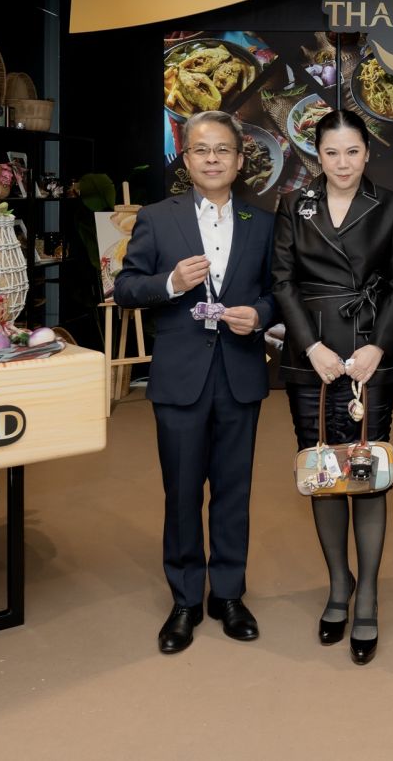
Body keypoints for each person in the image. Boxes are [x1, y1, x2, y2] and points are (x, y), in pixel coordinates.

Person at [113, 110, 275, 655]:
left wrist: (260, 314)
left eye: (223, 149)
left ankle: (228, 595)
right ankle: (185, 600)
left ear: (239, 159)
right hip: (180, 376)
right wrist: (170, 282)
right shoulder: (158, 218)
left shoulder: (262, 221)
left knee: (233, 491)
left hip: (240, 373)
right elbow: (126, 288)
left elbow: (277, 292)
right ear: (186, 159)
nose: (212, 158)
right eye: (201, 149)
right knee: (182, 492)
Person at [272, 108, 393, 666]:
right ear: (317, 154)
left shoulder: (390, 205)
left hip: (368, 353)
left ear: (367, 153)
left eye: (352, 151)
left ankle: (369, 594)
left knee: (366, 472)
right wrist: (311, 347)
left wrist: (377, 347)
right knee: (322, 471)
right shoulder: (294, 203)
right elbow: (282, 281)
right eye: (331, 152)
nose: (343, 163)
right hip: (311, 355)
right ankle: (339, 584)